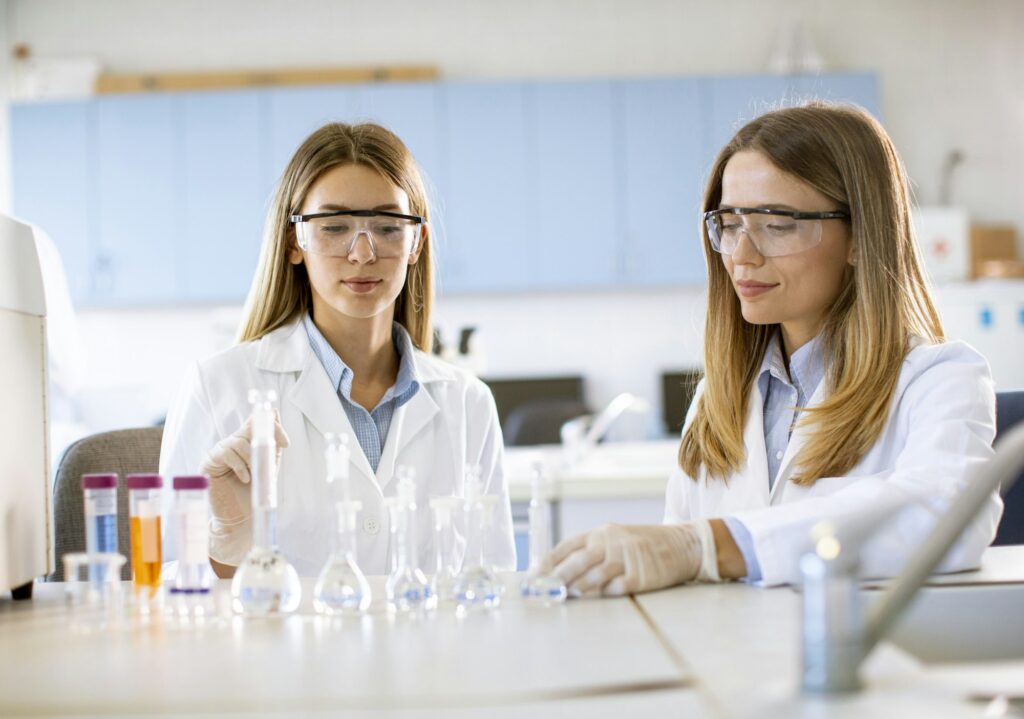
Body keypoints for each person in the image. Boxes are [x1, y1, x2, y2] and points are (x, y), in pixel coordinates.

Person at [545, 102, 1003, 596]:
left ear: (860, 238)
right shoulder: (717, 402)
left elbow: (945, 515)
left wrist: (706, 546)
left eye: (776, 224)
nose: (741, 255)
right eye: (730, 224)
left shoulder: (939, 379)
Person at [159, 122, 515, 577]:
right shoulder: (218, 388)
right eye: (334, 227)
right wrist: (229, 540)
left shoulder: (468, 403)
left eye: (388, 227)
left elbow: (496, 588)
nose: (363, 253)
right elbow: (163, 597)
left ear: (415, 244)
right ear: (294, 241)